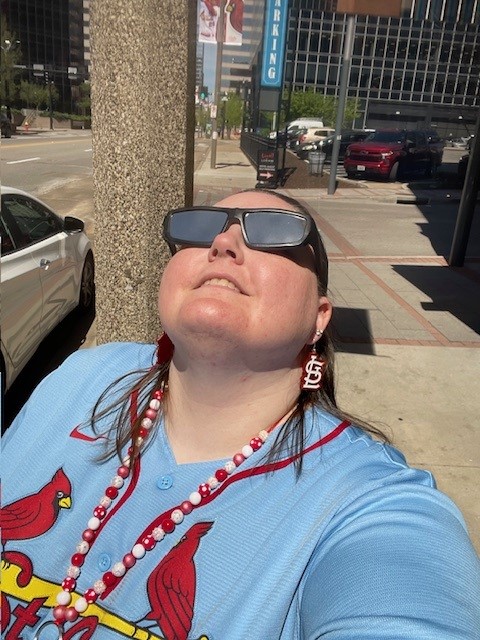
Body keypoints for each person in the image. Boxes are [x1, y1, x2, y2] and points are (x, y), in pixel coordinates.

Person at [1, 190, 479, 640]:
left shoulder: (370, 502)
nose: (224, 243)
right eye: (201, 228)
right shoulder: (84, 375)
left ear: (319, 316)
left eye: (274, 232)